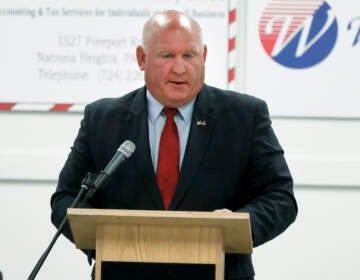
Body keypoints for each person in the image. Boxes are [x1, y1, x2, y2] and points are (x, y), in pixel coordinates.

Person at [51, 10, 297, 280]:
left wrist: (237, 227)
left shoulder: (245, 116)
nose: (180, 68)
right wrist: (107, 237)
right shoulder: (102, 119)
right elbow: (66, 199)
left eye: (189, 55)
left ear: (203, 56)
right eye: (167, 56)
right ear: (142, 59)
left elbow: (280, 196)